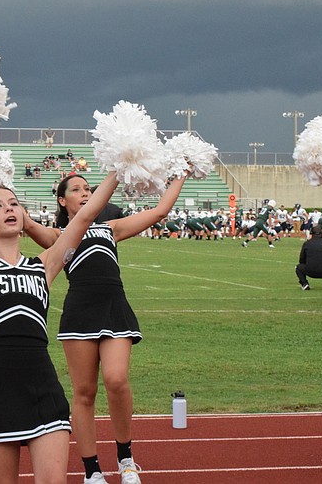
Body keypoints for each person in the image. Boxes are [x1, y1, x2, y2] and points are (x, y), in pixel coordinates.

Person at [0, 172, 119, 484]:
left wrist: (119, 165)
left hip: (42, 387)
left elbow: (85, 217)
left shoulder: (43, 265)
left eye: (14, 203)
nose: (9, 209)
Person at [50, 172, 187, 484]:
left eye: (88, 189)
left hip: (114, 309)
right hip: (79, 314)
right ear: (62, 200)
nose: (85, 193)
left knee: (116, 380)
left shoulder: (110, 229)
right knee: (84, 392)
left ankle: (126, 459)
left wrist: (181, 175)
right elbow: (22, 227)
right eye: (76, 189)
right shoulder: (59, 234)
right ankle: (92, 472)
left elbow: (160, 211)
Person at [296, 224, 322, 290]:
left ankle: (304, 284)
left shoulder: (307, 244)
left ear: (311, 234)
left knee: (298, 267)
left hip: (310, 271)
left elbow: (301, 259)